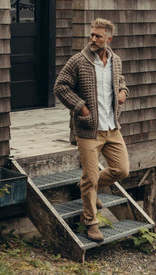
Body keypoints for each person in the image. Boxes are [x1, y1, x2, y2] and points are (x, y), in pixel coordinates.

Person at [54, 18, 129, 241]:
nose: (93, 39)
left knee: (122, 170)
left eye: (98, 36)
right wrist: (80, 107)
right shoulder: (78, 61)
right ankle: (91, 222)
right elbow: (60, 86)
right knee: (89, 177)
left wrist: (124, 91)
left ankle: (92, 188)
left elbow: (120, 81)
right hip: (88, 130)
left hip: (112, 128)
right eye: (92, 35)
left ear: (109, 39)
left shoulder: (116, 61)